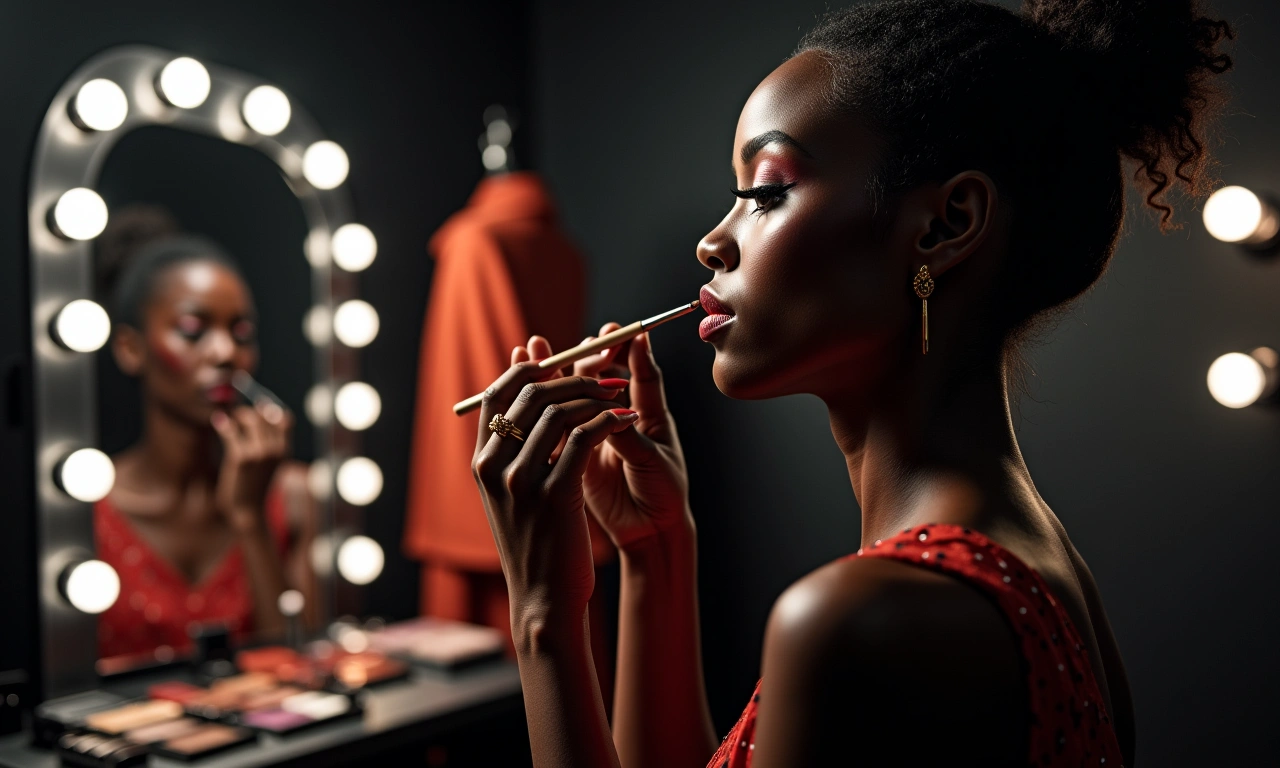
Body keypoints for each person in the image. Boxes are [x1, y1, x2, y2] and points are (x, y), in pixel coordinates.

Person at [469, 1, 1233, 765]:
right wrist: (655, 550)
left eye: (766, 193)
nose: (713, 243)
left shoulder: (862, 622)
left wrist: (542, 613)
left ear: (944, 225)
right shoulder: (1046, 578)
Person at [94, 206, 316, 661]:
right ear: (130, 348)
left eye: (241, 333)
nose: (225, 351)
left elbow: (298, 671)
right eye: (193, 331)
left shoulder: (291, 496)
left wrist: (250, 517)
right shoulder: (86, 512)